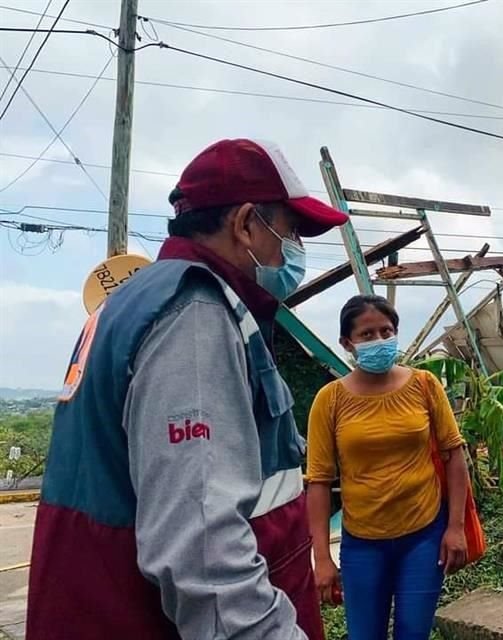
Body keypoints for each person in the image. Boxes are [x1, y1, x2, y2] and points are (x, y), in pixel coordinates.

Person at [27, 138, 348, 639]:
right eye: (290, 232)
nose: (296, 251)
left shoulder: (138, 298)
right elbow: (203, 553)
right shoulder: (194, 316)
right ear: (245, 225)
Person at [305, 294, 470, 640]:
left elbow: (454, 456)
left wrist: (455, 527)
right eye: (367, 335)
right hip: (363, 543)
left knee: (413, 632)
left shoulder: (425, 386)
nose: (379, 341)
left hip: (424, 536)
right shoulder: (330, 400)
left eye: (386, 331)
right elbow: (318, 483)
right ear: (347, 343)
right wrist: (321, 557)